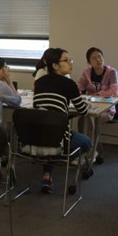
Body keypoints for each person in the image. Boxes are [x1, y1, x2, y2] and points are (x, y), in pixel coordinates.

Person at [34, 48, 92, 193]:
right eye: (66, 60)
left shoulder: (39, 82)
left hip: (37, 136)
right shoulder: (69, 84)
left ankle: (47, 174)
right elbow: (83, 111)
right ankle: (62, 160)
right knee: (86, 142)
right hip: (58, 137)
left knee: (50, 136)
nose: (71, 63)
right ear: (55, 65)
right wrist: (86, 105)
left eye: (70, 59)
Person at [77, 47, 118, 146]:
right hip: (90, 106)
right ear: (89, 62)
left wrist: (98, 94)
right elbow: (79, 86)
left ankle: (90, 149)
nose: (98, 60)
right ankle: (83, 146)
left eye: (100, 57)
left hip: (107, 109)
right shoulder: (86, 72)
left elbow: (115, 91)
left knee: (90, 118)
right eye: (94, 58)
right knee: (82, 118)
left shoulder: (112, 72)